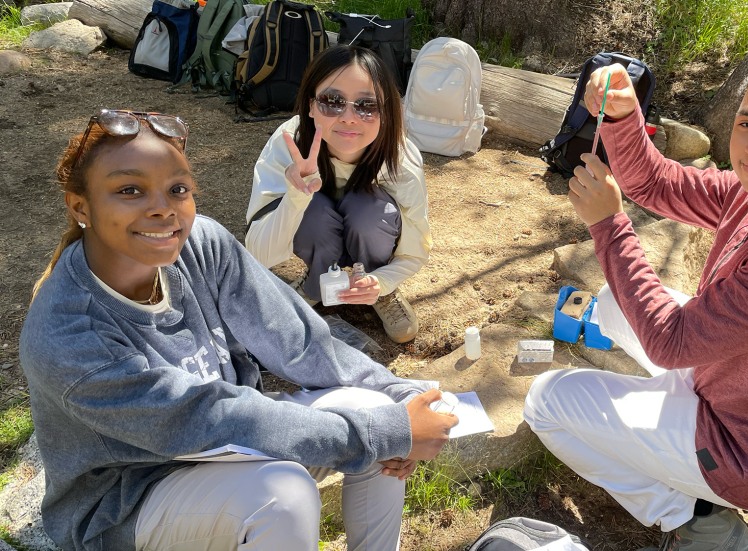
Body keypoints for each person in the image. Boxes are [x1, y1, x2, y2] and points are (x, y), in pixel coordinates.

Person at [20, 108, 458, 551]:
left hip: (230, 450)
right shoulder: (68, 333)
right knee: (282, 497)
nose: (162, 209)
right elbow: (206, 416)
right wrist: (383, 433)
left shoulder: (200, 245)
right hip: (131, 497)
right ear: (81, 207)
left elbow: (299, 340)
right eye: (129, 190)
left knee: (371, 405)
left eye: (178, 189)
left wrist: (399, 399)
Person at [523, 48, 748, 550]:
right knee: (614, 300)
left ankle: (697, 521)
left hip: (747, 450)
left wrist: (608, 223)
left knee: (546, 401)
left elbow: (669, 343)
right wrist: (624, 115)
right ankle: (672, 439)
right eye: (747, 122)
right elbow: (654, 181)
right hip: (734, 386)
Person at [245, 45, 429, 344]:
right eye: (332, 101)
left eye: (367, 105)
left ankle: (377, 289)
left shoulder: (400, 159)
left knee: (369, 211)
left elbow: (414, 251)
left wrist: (381, 282)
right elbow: (258, 253)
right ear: (310, 105)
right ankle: (317, 281)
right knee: (310, 209)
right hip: (319, 230)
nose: (348, 117)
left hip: (370, 237)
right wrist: (296, 195)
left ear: (386, 113)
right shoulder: (288, 144)